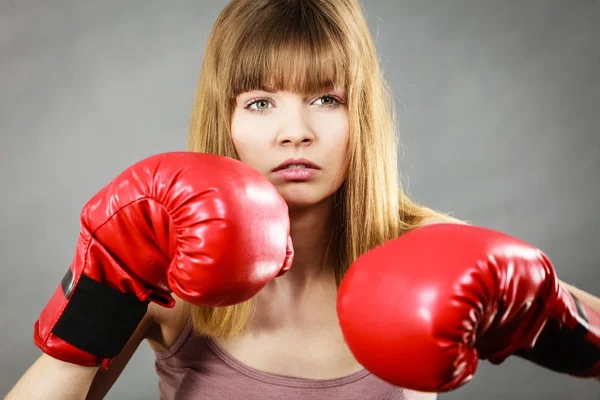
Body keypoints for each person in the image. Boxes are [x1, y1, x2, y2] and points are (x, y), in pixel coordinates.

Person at [6, 0, 600, 399]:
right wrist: (103, 287)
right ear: (228, 122)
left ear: (359, 118)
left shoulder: (432, 253)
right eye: (261, 102)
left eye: (325, 99)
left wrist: (544, 312)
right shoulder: (167, 277)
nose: (296, 131)